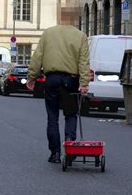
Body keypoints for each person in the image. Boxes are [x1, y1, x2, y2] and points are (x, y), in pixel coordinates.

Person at [27, 12, 90, 164]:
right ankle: (69, 145)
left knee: (52, 117)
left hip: (52, 79)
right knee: (70, 114)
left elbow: (37, 58)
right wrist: (84, 83)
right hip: (71, 80)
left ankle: (55, 153)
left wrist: (32, 77)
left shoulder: (48, 33)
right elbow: (83, 62)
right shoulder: (80, 36)